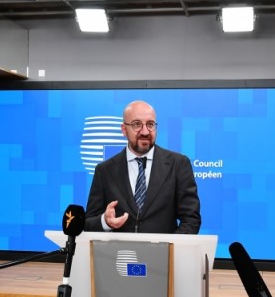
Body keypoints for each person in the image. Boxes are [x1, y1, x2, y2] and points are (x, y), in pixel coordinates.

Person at [84, 100, 201, 234]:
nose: (145, 132)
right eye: (137, 124)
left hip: (165, 248)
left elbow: (191, 220)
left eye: (150, 124)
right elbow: (89, 223)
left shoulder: (178, 164)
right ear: (124, 129)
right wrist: (105, 222)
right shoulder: (105, 170)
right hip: (120, 248)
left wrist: (169, 246)